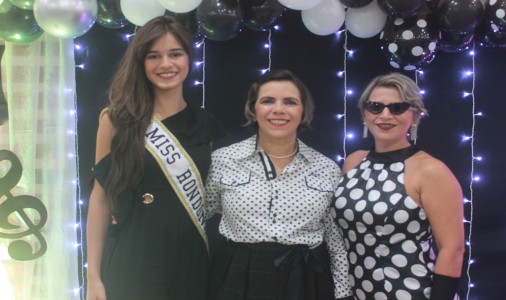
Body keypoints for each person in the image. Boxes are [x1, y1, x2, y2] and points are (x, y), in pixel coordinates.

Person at [86, 16, 225, 300]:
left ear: (188, 58)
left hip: (190, 259)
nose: (166, 64)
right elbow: (100, 199)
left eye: (175, 54)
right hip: (133, 255)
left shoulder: (205, 124)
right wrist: (93, 276)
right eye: (154, 56)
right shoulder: (115, 120)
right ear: (142, 63)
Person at [205, 69, 353, 300]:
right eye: (267, 101)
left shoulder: (326, 168)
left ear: (303, 112)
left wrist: (343, 292)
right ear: (254, 110)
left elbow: (336, 240)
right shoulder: (223, 159)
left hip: (305, 278)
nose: (279, 109)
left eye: (290, 102)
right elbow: (199, 215)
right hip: (237, 273)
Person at [331, 72, 465, 300]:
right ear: (365, 113)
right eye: (375, 107)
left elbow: (452, 250)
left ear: (414, 116)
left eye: (397, 108)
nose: (385, 115)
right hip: (355, 292)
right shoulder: (354, 161)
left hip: (411, 292)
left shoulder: (431, 170)